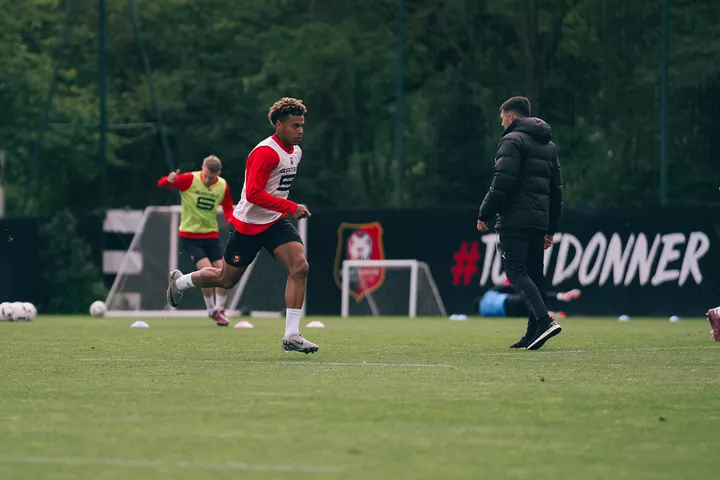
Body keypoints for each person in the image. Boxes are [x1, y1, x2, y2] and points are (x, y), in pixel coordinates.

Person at [165, 97, 318, 354]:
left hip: (274, 221)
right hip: (248, 225)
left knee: (300, 266)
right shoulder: (265, 152)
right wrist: (291, 207)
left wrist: (284, 209)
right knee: (225, 280)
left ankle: (292, 335)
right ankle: (179, 282)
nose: (300, 131)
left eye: (302, 125)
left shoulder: (296, 152)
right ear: (279, 125)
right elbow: (254, 194)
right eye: (294, 126)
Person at [477, 96, 564, 350]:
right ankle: (533, 332)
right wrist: (551, 228)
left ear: (511, 116)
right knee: (535, 275)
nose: (501, 123)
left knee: (516, 272)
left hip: (515, 220)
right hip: (538, 221)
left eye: (502, 118)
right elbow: (556, 191)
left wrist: (485, 212)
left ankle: (544, 321)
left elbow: (502, 181)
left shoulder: (512, 140)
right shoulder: (549, 146)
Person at [157, 156, 248, 327]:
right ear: (202, 169)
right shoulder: (189, 179)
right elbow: (162, 185)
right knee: (206, 269)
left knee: (224, 271)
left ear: (218, 174)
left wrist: (231, 222)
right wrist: (168, 180)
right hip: (190, 236)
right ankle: (211, 310)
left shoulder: (222, 185)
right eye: (205, 175)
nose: (207, 180)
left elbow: (227, 207)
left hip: (211, 236)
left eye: (211, 178)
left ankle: (219, 309)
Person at [473, 279, 581, 320]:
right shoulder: (487, 295)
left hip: (509, 313)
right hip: (508, 300)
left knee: (530, 313)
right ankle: (561, 296)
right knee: (534, 296)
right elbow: (502, 287)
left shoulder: (484, 313)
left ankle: (549, 314)